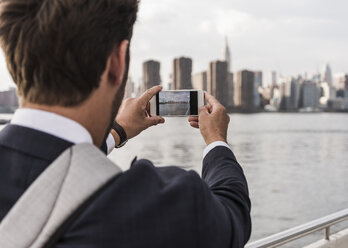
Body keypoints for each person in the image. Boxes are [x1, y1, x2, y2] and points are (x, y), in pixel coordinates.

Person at [0, 0, 251, 247]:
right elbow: (232, 218)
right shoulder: (158, 206)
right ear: (117, 60)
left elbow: (49, 164)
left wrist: (116, 132)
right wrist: (216, 140)